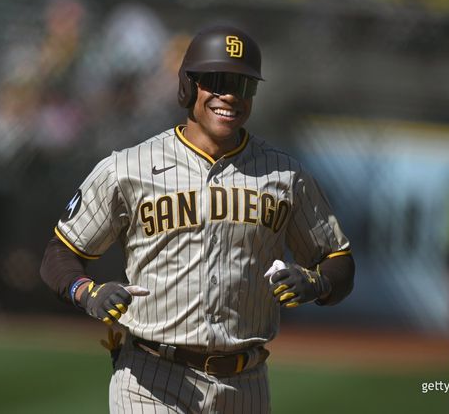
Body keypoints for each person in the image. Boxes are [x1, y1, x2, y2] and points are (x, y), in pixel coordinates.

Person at [40, 25, 355, 413]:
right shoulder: (127, 168)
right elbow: (60, 253)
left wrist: (317, 282)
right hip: (150, 379)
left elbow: (339, 260)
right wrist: (87, 293)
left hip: (245, 385)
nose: (230, 95)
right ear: (188, 87)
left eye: (243, 85)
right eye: (217, 81)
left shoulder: (286, 176)